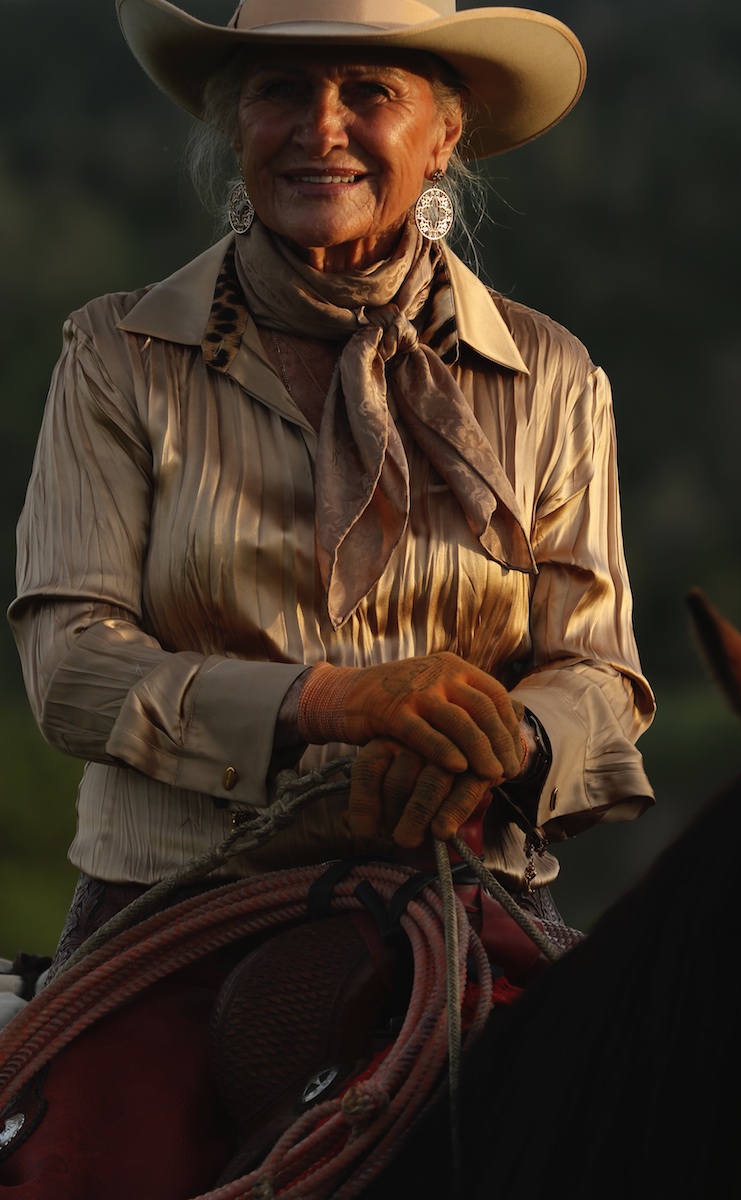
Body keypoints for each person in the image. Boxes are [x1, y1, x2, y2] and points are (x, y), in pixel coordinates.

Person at [4, 0, 656, 1194]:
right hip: (177, 914)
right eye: (278, 92)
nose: (322, 129)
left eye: (369, 90)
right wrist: (330, 702)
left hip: (461, 899)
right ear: (231, 121)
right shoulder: (116, 356)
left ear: (442, 133)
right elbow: (69, 664)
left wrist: (504, 735)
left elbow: (600, 678)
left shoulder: (550, 375)